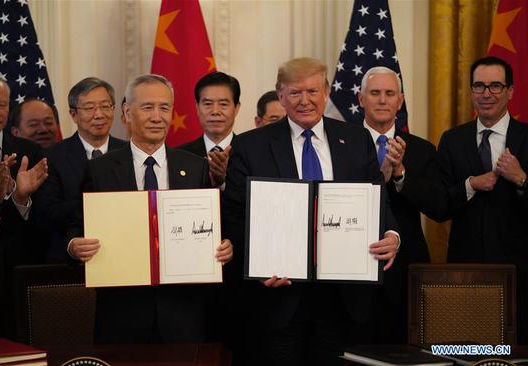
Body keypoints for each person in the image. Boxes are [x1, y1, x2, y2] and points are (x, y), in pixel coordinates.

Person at [223, 57, 400, 365]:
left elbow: (376, 198)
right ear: (280, 95)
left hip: (344, 295)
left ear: (326, 91)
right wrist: (258, 263)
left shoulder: (356, 140)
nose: (304, 101)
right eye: (294, 93)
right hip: (278, 296)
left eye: (312, 91)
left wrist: (391, 234)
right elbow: (235, 215)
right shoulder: (251, 145)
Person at [68, 74, 233, 344]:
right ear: (126, 112)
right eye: (147, 107)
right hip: (123, 311)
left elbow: (214, 228)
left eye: (164, 108)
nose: (157, 116)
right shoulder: (100, 169)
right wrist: (74, 244)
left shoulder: (195, 166)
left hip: (183, 311)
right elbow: (76, 225)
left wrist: (225, 245)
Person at [437, 56, 528, 343]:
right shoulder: (452, 140)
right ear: (470, 91)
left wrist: (521, 179)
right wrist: (470, 185)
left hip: (520, 273)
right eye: (479, 86)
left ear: (510, 91)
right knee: (467, 350)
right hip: (467, 271)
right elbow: (439, 206)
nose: (486, 94)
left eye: (495, 86)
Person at [358, 66, 447, 343]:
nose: (382, 100)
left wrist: (400, 175)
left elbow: (439, 208)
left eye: (389, 93)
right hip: (354, 264)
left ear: (400, 100)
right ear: (361, 99)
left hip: (407, 267)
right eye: (375, 93)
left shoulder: (422, 149)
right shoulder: (341, 143)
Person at [0, 71, 48, 338]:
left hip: (19, 273)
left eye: (2, 105)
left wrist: (20, 197)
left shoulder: (30, 151)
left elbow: (41, 220)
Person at [35, 77, 126, 262]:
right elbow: (46, 214)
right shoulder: (52, 157)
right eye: (90, 108)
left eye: (105, 106)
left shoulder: (129, 152)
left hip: (123, 254)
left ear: (114, 110)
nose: (99, 114)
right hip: (69, 260)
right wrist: (97, 205)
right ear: (73, 114)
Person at [178, 72, 241, 187]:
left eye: (223, 104)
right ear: (197, 108)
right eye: (207, 104)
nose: (215, 111)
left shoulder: (250, 154)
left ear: (236, 108)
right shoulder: (180, 156)